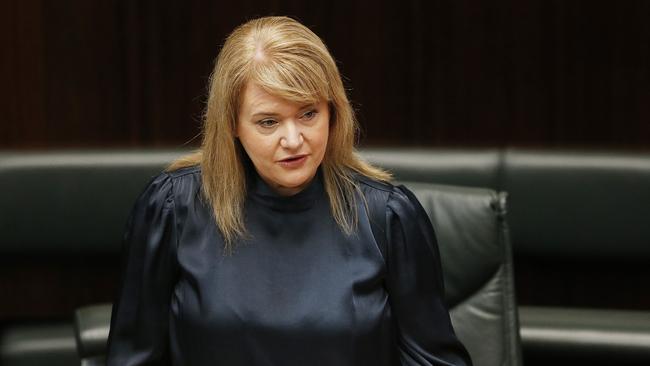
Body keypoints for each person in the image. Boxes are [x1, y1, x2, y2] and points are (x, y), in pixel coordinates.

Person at [106, 16, 472, 366]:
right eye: (268, 122)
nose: (294, 140)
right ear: (232, 123)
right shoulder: (171, 208)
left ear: (333, 111)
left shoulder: (389, 216)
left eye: (309, 114)